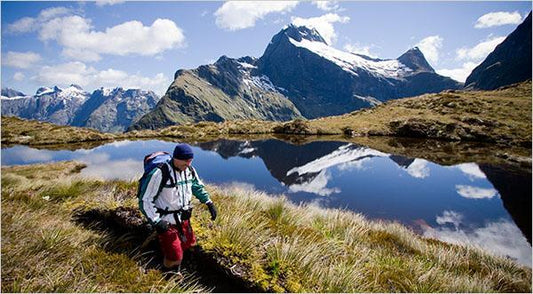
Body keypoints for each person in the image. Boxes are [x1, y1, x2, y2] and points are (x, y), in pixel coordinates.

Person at [138, 143, 217, 271]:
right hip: (166, 222)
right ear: (175, 158)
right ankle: (168, 274)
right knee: (175, 256)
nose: (188, 165)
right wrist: (157, 221)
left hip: (184, 218)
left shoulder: (189, 170)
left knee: (189, 244)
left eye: (190, 161)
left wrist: (209, 202)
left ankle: (179, 266)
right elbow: (145, 200)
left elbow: (197, 186)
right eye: (185, 162)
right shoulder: (159, 173)